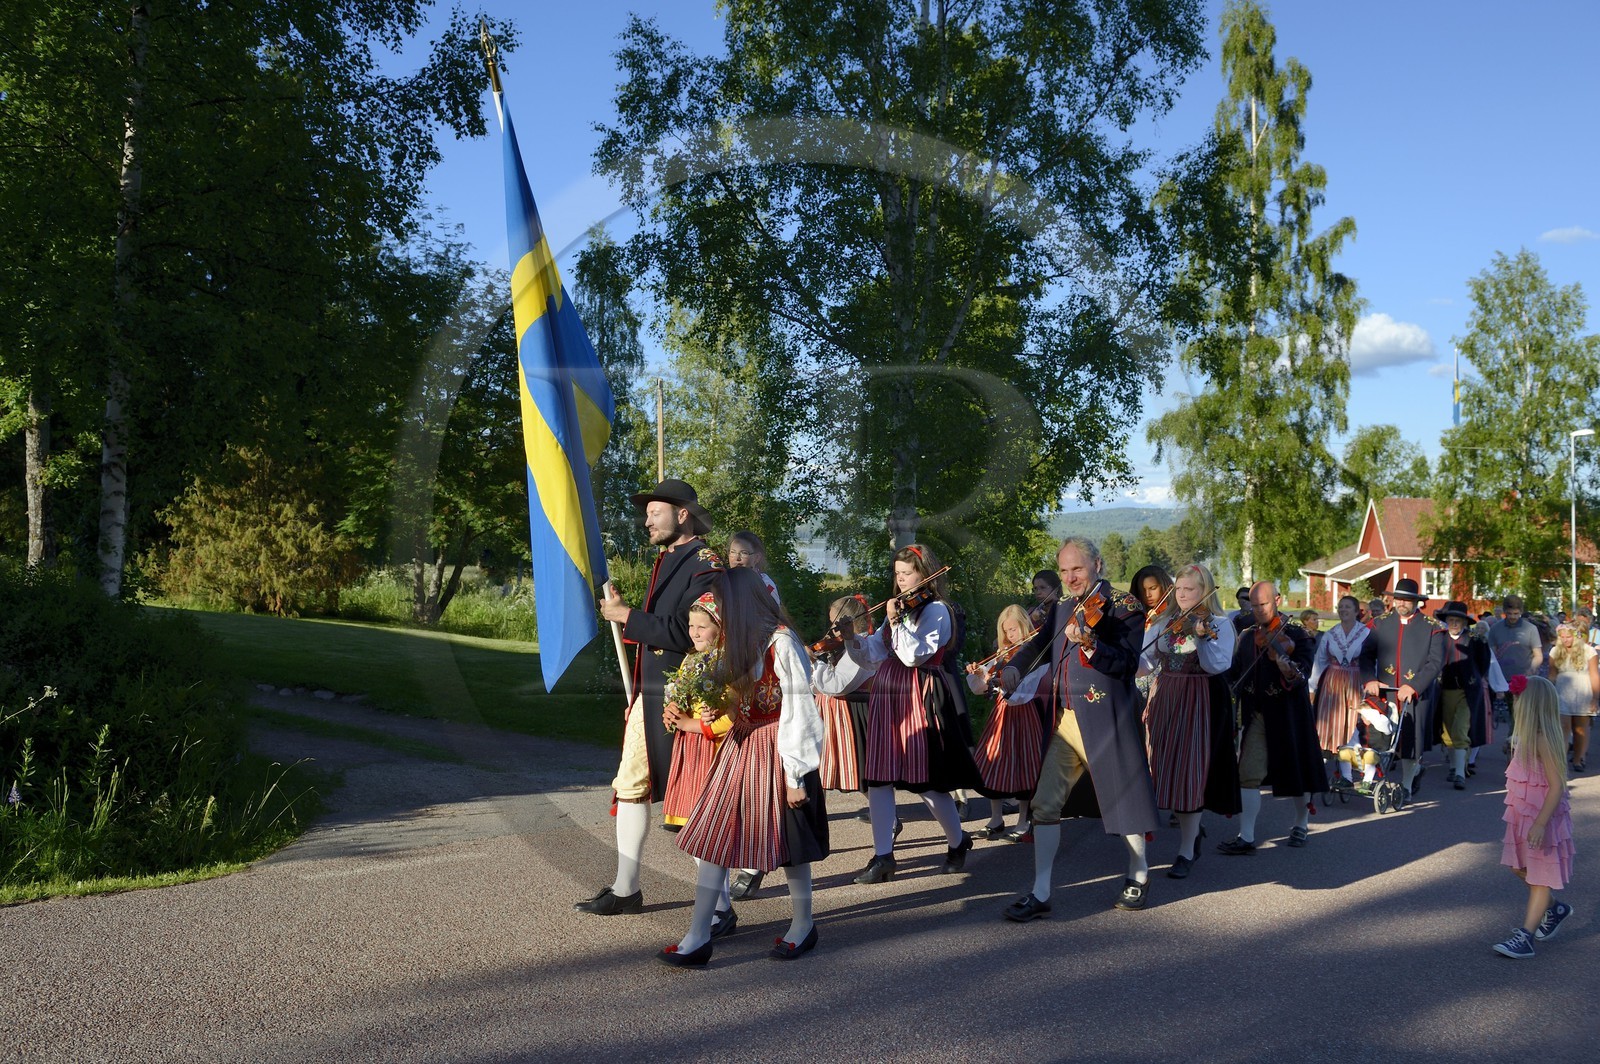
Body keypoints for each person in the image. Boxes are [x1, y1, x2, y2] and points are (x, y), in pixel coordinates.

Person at [983, 536, 1158, 919]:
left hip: (1106, 718)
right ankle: (1041, 891)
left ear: (1098, 564)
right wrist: (1014, 666)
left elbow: (1127, 664)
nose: (1070, 577)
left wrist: (1092, 644)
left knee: (1122, 799)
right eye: (1064, 570)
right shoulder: (1063, 606)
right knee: (1045, 805)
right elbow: (1037, 644)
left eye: (1076, 569)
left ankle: (1139, 875)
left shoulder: (1125, 606)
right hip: (1065, 720)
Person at [662, 568, 828, 966]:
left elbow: (800, 712)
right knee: (715, 834)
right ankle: (699, 935)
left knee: (791, 842)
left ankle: (803, 924)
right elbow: (732, 697)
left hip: (777, 748)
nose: (718, 609)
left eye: (722, 602)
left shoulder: (782, 643)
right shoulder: (740, 642)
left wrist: (795, 776)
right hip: (741, 745)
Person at [580, 479, 723, 917]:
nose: (646, 521)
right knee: (630, 787)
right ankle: (626, 888)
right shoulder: (669, 559)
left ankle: (720, 906)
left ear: (682, 514)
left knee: (691, 800)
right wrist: (631, 619)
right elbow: (661, 626)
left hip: (686, 700)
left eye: (654, 512)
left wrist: (628, 617)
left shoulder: (705, 564)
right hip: (652, 694)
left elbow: (690, 633)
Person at [853, 544, 980, 884]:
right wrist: (852, 641)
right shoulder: (899, 610)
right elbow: (878, 651)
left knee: (927, 781)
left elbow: (912, 657)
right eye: (897, 574)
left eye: (907, 573)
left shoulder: (937, 610)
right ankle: (883, 856)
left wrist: (897, 622)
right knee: (879, 777)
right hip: (888, 691)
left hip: (920, 693)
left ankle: (957, 841)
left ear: (925, 574)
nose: (901, 580)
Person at [1138, 563, 1238, 879]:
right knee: (1161, 766)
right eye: (1179, 589)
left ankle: (1186, 850)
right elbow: (1145, 661)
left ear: (1204, 591)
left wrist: (1202, 638)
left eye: (1189, 589)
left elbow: (1217, 666)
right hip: (1165, 696)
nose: (1182, 595)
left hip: (1199, 700)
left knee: (1189, 772)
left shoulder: (1218, 625)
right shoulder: (1165, 623)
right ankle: (1190, 838)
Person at [1219, 581, 1324, 853]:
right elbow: (1234, 671)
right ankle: (1246, 836)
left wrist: (1288, 670)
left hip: (1289, 716)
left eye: (1263, 604)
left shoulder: (1298, 636)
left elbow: (1302, 674)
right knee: (1247, 774)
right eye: (1254, 606)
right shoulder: (1246, 636)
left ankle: (1301, 823)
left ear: (1278, 599)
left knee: (1296, 772)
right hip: (1257, 713)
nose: (1258, 611)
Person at [658, 591, 737, 936]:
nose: (694, 632)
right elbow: (682, 700)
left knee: (707, 833)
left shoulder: (728, 663)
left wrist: (701, 721)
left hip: (714, 751)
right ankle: (720, 906)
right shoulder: (692, 661)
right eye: (691, 625)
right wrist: (673, 712)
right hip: (690, 751)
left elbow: (732, 716)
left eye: (702, 626)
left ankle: (720, 908)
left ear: (719, 628)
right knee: (691, 831)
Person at [1491, 676, 1575, 959]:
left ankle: (1526, 937)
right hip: (1523, 814)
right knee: (1518, 867)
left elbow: (1557, 785)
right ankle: (1555, 908)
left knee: (1540, 877)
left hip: (1542, 817)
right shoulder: (1527, 736)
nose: (1515, 704)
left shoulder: (1543, 740)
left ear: (1531, 706)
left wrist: (1540, 823)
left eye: (1519, 700)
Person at [967, 604, 1049, 841]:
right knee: (992, 763)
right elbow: (981, 688)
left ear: (1025, 626)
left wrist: (998, 681)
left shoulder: (1033, 654)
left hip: (1024, 714)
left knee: (1023, 765)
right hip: (1002, 715)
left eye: (1013, 629)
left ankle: (1024, 820)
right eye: (1005, 631)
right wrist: (979, 676)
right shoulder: (1003, 655)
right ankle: (996, 818)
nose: (1009, 636)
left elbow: (1026, 689)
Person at [1358, 578, 1443, 802]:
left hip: (1415, 694)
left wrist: (1414, 686)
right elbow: (1366, 656)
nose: (1401, 603)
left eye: (1406, 600)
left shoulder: (1432, 627)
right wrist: (1370, 679)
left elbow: (1435, 663)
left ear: (1416, 602)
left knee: (1411, 741)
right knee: (1381, 738)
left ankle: (1406, 785)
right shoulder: (1381, 622)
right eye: (1398, 599)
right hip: (1385, 692)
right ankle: (1374, 779)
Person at [810, 594, 878, 794]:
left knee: (862, 768)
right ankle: (816, 816)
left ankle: (888, 818)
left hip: (852, 714)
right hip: (834, 715)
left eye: (834, 624)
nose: (831, 631)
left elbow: (837, 685)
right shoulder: (845, 646)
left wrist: (815, 663)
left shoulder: (861, 646)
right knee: (821, 767)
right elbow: (820, 686)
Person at [1433, 600, 1500, 789]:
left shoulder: (1475, 640)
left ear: (1464, 623)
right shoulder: (1439, 638)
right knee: (1447, 732)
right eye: (1451, 620)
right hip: (1444, 691)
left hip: (1467, 693)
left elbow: (1483, 663)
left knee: (1461, 729)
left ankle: (1461, 773)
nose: (1454, 624)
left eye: (1458, 621)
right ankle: (1454, 768)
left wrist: (1473, 679)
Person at [1311, 595, 1369, 790]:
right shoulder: (1330, 634)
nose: (1343, 610)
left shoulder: (1366, 633)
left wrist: (1371, 686)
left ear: (1356, 611)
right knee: (1337, 729)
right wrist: (1313, 687)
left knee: (1352, 727)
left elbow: (1373, 662)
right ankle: (1347, 775)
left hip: (1356, 683)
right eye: (1340, 607)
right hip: (1333, 685)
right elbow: (1320, 661)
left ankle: (1365, 769)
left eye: (1347, 607)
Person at [1549, 622, 1599, 771]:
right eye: (1562, 637)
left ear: (1575, 636)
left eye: (1568, 637)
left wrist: (1595, 698)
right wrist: (1549, 693)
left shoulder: (1589, 651)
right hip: (1562, 691)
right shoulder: (1555, 651)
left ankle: (1578, 759)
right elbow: (1552, 674)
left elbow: (1594, 675)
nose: (1565, 640)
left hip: (1583, 690)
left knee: (1580, 729)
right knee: (1562, 728)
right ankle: (1561, 762)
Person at [1488, 594, 1544, 689]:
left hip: (1525, 678)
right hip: (1501, 679)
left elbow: (1538, 655)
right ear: (1504, 611)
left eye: (1516, 613)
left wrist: (1531, 670)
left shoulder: (1531, 629)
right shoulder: (1495, 629)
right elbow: (1491, 656)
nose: (1513, 617)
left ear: (1521, 612)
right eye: (1509, 613)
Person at [728, 529, 781, 604]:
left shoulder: (766, 586)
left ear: (757, 558)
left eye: (744, 553)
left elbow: (773, 614)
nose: (737, 558)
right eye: (733, 552)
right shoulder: (723, 582)